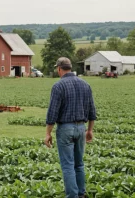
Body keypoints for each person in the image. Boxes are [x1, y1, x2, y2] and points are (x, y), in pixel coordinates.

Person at [45, 57, 96, 198]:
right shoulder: (85, 85)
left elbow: (52, 112)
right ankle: (81, 193)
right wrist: (90, 130)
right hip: (81, 128)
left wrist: (48, 133)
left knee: (68, 165)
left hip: (65, 129)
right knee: (79, 164)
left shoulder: (58, 86)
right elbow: (92, 111)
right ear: (70, 68)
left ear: (59, 69)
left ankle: (72, 196)